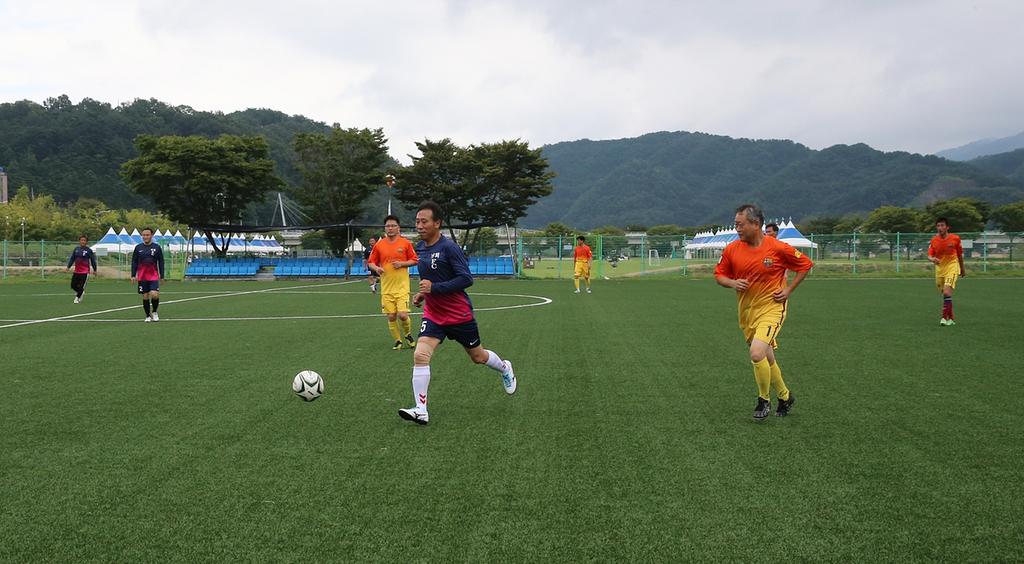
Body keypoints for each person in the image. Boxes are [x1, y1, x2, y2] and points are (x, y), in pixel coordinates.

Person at [398, 201, 517, 425]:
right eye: (417, 222)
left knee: (478, 357)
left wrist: (435, 289)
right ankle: (421, 409)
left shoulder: (449, 248)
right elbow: (432, 278)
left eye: (424, 221)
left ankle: (504, 368)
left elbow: (466, 279)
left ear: (437, 223)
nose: (419, 226)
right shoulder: (421, 249)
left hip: (459, 315)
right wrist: (424, 294)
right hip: (434, 315)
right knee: (420, 355)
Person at [714, 204, 814, 421]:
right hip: (748, 312)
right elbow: (719, 275)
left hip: (772, 307)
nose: (737, 229)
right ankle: (785, 397)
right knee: (767, 357)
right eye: (735, 225)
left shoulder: (777, 248)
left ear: (755, 224)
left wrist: (788, 290)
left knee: (757, 353)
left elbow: (805, 264)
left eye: (740, 225)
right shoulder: (732, 249)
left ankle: (763, 400)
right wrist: (732, 282)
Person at [367, 216, 418, 350]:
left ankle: (407, 334)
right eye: (388, 226)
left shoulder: (405, 243)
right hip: (386, 287)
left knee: (402, 315)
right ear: (385, 228)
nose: (390, 228)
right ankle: (398, 340)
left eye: (393, 225)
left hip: (402, 286)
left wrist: (402, 264)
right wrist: (377, 268)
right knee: (391, 316)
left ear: (398, 228)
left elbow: (414, 260)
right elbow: (370, 262)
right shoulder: (379, 245)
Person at [928, 217, 965, 326]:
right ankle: (951, 319)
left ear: (947, 227)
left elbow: (959, 255)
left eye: (942, 225)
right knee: (945, 294)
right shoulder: (934, 240)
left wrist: (962, 269)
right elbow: (929, 255)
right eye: (938, 226)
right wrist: (932, 259)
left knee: (946, 292)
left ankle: (944, 318)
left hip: (952, 267)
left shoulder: (955, 239)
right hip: (940, 270)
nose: (940, 228)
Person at [131, 227, 165, 322]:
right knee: (145, 296)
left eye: (147, 235)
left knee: (154, 295)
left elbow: (161, 262)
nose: (145, 237)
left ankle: (154, 312)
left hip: (153, 275)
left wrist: (162, 276)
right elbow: (134, 262)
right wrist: (133, 275)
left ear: (151, 235)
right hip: (142, 276)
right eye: (144, 235)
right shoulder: (138, 248)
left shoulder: (156, 247)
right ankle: (147, 316)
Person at [66, 235, 98, 303]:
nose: (83, 241)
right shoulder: (76, 249)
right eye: (81, 240)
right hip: (77, 271)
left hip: (85, 272)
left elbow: (93, 261)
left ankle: (77, 298)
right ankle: (80, 292)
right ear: (79, 241)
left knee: (81, 286)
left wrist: (95, 270)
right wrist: (68, 267)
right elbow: (72, 258)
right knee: (73, 285)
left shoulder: (89, 250)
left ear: (86, 242)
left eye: (84, 240)